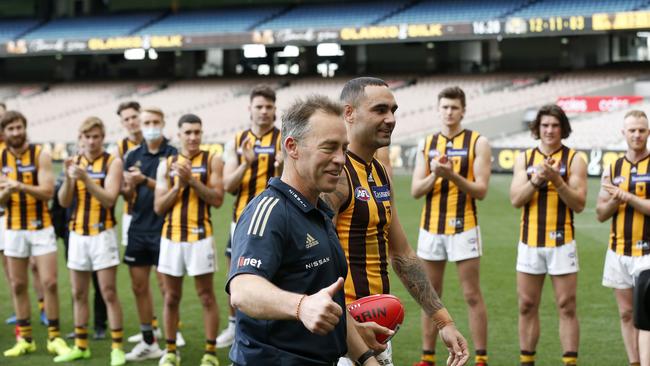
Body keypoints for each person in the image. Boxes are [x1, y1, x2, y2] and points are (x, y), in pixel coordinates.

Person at [319, 77, 468, 366]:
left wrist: (443, 321)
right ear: (348, 113)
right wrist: (348, 330)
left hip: (378, 330)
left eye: (393, 110)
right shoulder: (334, 175)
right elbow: (313, 263)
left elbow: (401, 254)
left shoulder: (380, 173)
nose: (390, 119)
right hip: (343, 336)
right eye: (380, 110)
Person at [228, 94, 380, 366]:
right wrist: (301, 307)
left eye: (344, 148)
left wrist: (368, 359)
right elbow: (242, 289)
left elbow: (329, 307)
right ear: (293, 147)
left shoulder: (319, 212)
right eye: (329, 147)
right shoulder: (270, 211)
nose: (340, 159)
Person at [410, 86, 491, 366]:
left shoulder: (477, 142)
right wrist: (435, 174)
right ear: (438, 109)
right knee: (430, 295)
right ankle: (427, 357)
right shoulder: (428, 142)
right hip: (431, 227)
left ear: (463, 110)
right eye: (444, 107)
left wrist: (452, 175)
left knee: (471, 293)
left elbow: (480, 191)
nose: (449, 112)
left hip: (464, 225)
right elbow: (416, 190)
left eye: (454, 107)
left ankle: (480, 357)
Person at [509, 104, 587, 366]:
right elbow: (516, 200)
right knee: (526, 305)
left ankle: (569, 362)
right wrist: (537, 180)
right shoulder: (525, 158)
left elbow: (578, 203)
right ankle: (527, 361)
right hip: (530, 242)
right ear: (537, 128)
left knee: (566, 305)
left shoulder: (575, 159)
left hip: (562, 242)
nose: (550, 130)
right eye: (545, 125)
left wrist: (557, 179)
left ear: (562, 128)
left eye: (555, 125)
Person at [154, 113, 224, 366]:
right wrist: (178, 186)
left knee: (206, 296)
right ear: (179, 134)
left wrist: (192, 180)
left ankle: (210, 352)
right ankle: (170, 351)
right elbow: (159, 207)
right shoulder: (167, 163)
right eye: (188, 132)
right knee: (171, 297)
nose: (193, 137)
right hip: (171, 238)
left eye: (197, 132)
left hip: (201, 238)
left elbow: (217, 199)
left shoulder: (212, 160)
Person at [55, 117, 126, 365]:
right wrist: (68, 177)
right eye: (88, 137)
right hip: (77, 234)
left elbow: (109, 199)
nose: (92, 141)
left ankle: (117, 347)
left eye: (96, 136)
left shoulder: (113, 162)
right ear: (81, 138)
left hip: (102, 234)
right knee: (78, 292)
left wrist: (86, 180)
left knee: (108, 291)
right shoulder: (74, 162)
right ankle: (81, 345)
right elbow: (64, 202)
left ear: (103, 137)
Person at [0, 111, 70, 357]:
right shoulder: (0, 157)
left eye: (19, 127)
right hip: (13, 228)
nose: (16, 132)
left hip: (41, 227)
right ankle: (25, 338)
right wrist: (6, 193)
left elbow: (48, 192)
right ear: (4, 133)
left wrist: (18, 186)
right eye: (11, 129)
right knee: (18, 285)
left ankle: (54, 337)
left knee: (49, 282)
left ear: (25, 127)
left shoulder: (41, 154)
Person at [219, 84, 282, 348]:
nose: (264, 112)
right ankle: (234, 327)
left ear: (274, 110)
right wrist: (246, 162)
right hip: (242, 220)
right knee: (236, 274)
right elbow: (227, 186)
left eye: (269, 107)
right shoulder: (237, 141)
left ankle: (273, 329)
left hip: (275, 220)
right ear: (250, 109)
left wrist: (280, 168)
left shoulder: (283, 138)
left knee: (275, 275)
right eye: (259, 106)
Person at [121, 107, 178, 361]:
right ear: (140, 126)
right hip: (138, 226)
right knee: (138, 286)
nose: (151, 126)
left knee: (167, 288)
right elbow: (127, 193)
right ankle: (148, 339)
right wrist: (129, 186)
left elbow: (173, 190)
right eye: (147, 122)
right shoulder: (133, 154)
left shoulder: (174, 154)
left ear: (163, 122)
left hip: (165, 227)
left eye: (156, 121)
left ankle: (171, 340)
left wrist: (144, 180)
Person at [596, 110, 650, 366]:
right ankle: (634, 362)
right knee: (627, 313)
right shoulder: (613, 167)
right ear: (624, 133)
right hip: (618, 251)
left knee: (646, 315)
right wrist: (615, 199)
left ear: (648, 132)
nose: (637, 134)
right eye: (632, 130)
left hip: (648, 253)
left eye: (641, 130)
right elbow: (600, 213)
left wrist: (625, 196)